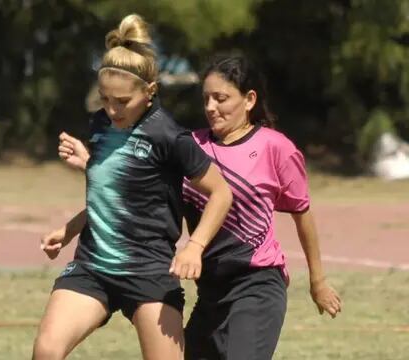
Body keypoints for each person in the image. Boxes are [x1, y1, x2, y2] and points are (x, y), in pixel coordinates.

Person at [57, 54, 343, 360]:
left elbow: (302, 215)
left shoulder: (276, 148)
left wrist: (318, 281)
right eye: (206, 98)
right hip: (210, 290)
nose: (210, 107)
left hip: (256, 284)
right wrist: (88, 169)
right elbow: (136, 199)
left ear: (249, 99)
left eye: (221, 98)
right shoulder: (189, 147)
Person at [32, 14, 233, 360]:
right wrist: (69, 230)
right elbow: (112, 194)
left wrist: (194, 246)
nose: (111, 110)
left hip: (150, 271)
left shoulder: (168, 136)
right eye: (105, 99)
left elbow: (221, 192)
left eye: (122, 101)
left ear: (150, 91)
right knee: (47, 351)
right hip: (93, 268)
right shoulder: (100, 124)